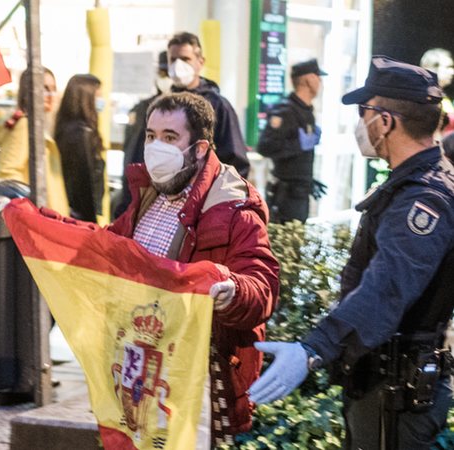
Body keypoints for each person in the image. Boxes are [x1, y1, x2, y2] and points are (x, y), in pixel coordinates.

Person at [249, 56, 454, 450]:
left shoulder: (425, 198)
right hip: (384, 383)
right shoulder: (413, 184)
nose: (360, 124)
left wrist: (313, 349)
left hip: (398, 392)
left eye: (364, 112)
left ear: (385, 120)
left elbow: (387, 287)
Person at [108, 92, 279, 447]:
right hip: (140, 378)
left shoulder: (233, 208)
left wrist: (234, 290)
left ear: (199, 149)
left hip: (196, 385)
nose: (156, 147)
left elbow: (262, 286)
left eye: (170, 138)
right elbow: (104, 250)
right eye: (151, 136)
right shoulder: (146, 199)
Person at [166, 31, 250, 178]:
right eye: (173, 59)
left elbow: (235, 161)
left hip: (205, 193)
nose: (178, 65)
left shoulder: (217, 106)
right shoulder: (162, 105)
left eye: (186, 59)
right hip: (167, 193)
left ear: (200, 62)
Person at [257, 58, 327, 223]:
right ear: (308, 79)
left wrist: (307, 179)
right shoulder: (285, 110)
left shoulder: (305, 110)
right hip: (285, 197)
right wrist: (299, 145)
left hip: (299, 194)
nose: (321, 82)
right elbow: (265, 147)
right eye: (318, 76)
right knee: (286, 245)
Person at [0, 67, 69, 216]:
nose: (50, 95)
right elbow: (8, 172)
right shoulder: (25, 125)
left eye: (53, 89)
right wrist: (30, 211)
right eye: (44, 88)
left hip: (48, 217)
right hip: (39, 219)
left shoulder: (37, 124)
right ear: (28, 91)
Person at [113, 51, 172, 218]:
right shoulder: (142, 109)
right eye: (162, 72)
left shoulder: (191, 110)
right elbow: (132, 156)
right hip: (143, 195)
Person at [55, 73, 105, 223]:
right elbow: (84, 184)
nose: (101, 101)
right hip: (80, 218)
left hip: (70, 214)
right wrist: (91, 221)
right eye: (98, 96)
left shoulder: (66, 129)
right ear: (87, 98)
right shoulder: (82, 134)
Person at [420, 48, 454, 135]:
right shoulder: (425, 96)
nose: (452, 72)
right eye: (448, 67)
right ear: (432, 69)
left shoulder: (443, 96)